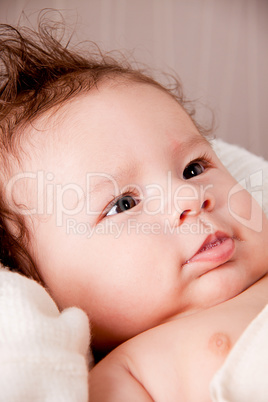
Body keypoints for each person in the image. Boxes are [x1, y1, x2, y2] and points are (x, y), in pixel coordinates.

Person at [0, 16, 268, 400]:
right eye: (123, 204)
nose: (189, 198)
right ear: (44, 287)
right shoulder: (131, 373)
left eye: (194, 169)